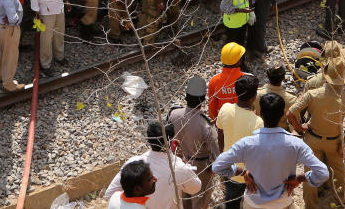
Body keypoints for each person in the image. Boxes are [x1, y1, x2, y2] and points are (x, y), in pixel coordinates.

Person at [212, 92, 329, 209]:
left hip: (253, 204)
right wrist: (300, 178)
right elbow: (323, 173)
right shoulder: (295, 144)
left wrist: (242, 172)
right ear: (283, 114)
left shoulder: (246, 143)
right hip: (283, 203)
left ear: (260, 114)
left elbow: (218, 166)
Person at [286, 57, 345, 208]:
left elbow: (290, 113)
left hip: (313, 140)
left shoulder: (312, 94)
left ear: (325, 75)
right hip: (335, 142)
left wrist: (300, 127)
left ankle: (311, 205)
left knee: (310, 174)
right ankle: (341, 201)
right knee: (339, 173)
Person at [105, 121, 201, 209]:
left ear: (149, 139)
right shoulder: (179, 168)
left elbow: (109, 194)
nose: (155, 179)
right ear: (171, 139)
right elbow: (196, 188)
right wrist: (183, 161)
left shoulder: (134, 163)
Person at [167, 76, 220, 209]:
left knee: (184, 195)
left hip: (179, 162)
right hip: (201, 166)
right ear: (202, 100)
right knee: (199, 201)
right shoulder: (205, 125)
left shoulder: (173, 114)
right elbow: (216, 155)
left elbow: (167, 138)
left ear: (186, 96)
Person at [216, 75, 264, 209]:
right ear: (254, 96)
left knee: (231, 202)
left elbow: (220, 133)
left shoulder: (225, 108)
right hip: (248, 174)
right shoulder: (257, 122)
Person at [28, 0, 67, 74]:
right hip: (46, 13)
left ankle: (59, 56)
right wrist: (37, 15)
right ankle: (45, 64)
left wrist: (67, 1)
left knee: (60, 34)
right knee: (46, 39)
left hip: (59, 8)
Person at [209, 43, 247, 120]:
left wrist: (217, 126)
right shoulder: (248, 79)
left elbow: (212, 108)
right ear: (239, 61)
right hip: (244, 121)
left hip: (224, 122)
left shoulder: (214, 81)